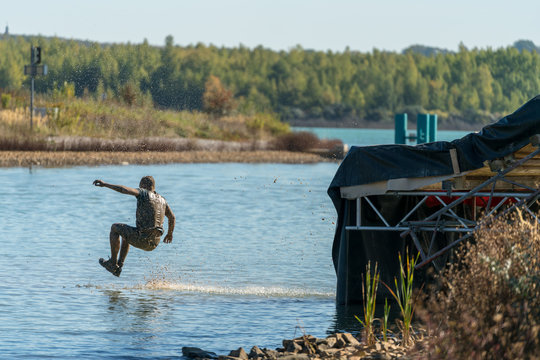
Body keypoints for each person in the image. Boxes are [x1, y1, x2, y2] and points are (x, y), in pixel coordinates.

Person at [93, 176, 176, 277]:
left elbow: (124, 189)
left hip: (142, 238)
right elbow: (172, 218)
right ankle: (118, 267)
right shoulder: (163, 200)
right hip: (154, 243)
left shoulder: (143, 192)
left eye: (139, 186)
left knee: (115, 228)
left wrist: (105, 184)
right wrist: (169, 234)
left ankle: (112, 262)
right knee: (125, 233)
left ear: (143, 186)